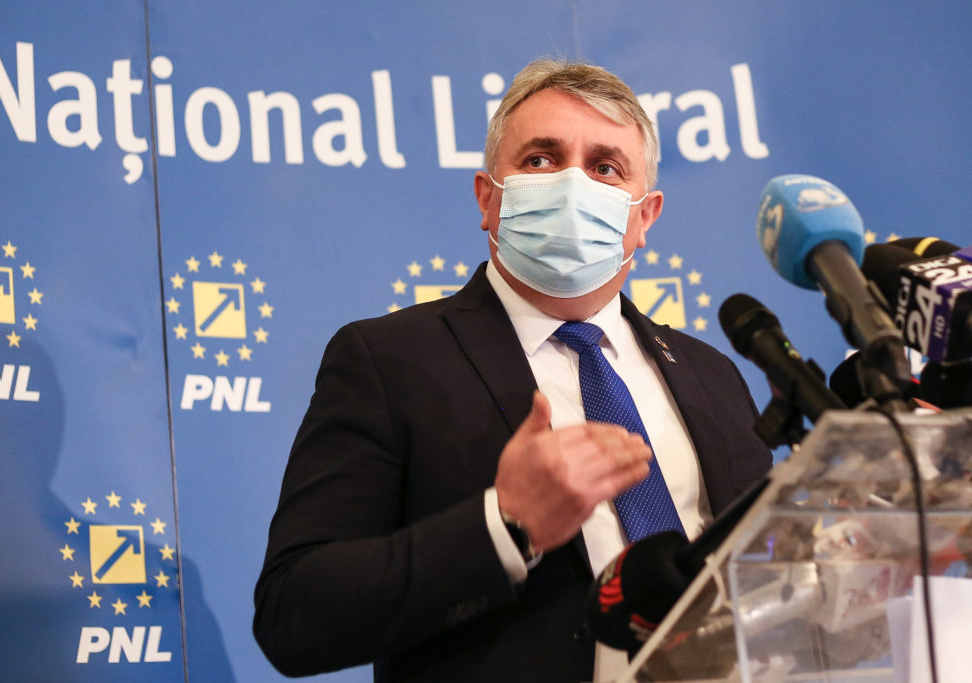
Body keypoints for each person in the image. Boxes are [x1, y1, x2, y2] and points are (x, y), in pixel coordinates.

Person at [254, 58, 771, 683]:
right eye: (541, 159)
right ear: (487, 197)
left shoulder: (713, 376)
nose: (573, 185)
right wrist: (506, 525)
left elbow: (768, 582)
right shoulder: (387, 361)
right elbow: (294, 614)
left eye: (605, 167)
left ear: (644, 217)